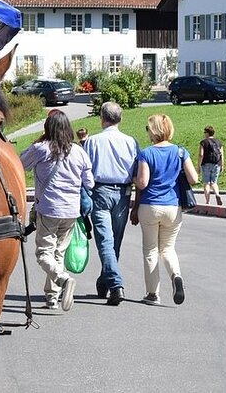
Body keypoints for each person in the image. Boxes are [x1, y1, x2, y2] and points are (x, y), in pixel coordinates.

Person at [20, 109, 94, 311]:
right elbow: (90, 182)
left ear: (47, 128)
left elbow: (20, 163)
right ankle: (52, 298)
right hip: (71, 210)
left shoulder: (42, 149)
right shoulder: (79, 151)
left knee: (43, 253)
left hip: (49, 209)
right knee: (58, 253)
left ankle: (63, 279)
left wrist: (38, 142)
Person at [130, 114, 198, 306]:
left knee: (150, 250)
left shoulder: (146, 153)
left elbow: (142, 183)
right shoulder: (180, 152)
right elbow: (193, 179)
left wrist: (132, 179)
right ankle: (176, 276)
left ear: (154, 131)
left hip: (150, 206)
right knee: (168, 249)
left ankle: (153, 294)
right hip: (173, 207)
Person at [83, 101, 140, 306]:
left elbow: (85, 172)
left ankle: (113, 284)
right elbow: (136, 172)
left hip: (100, 191)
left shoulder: (92, 142)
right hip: (123, 193)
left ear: (102, 119)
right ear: (120, 119)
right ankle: (108, 282)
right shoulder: (131, 142)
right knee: (113, 242)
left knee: (106, 242)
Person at [198, 125, 224, 206]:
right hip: (216, 164)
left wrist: (198, 165)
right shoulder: (219, 142)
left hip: (206, 164)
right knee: (214, 182)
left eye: (205, 132)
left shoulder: (203, 142)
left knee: (206, 183)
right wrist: (222, 165)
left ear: (207, 133)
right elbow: (222, 154)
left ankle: (207, 201)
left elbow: (201, 155)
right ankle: (217, 194)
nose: (204, 134)